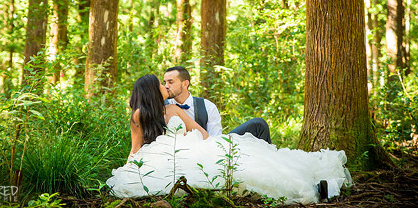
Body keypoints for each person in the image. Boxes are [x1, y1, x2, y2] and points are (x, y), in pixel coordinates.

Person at [106, 74, 352, 204]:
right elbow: (136, 148)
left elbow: (202, 134)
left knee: (247, 164)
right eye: (160, 83)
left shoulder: (174, 110)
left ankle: (311, 186)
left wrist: (185, 139)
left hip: (192, 150)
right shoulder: (139, 116)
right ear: (151, 89)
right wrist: (128, 170)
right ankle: (307, 189)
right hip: (163, 159)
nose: (164, 86)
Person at [163, 66, 271, 143]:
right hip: (177, 156)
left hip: (209, 151)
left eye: (170, 82)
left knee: (258, 124)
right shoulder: (163, 108)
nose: (166, 86)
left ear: (185, 83)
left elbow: (216, 139)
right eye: (165, 82)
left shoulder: (207, 106)